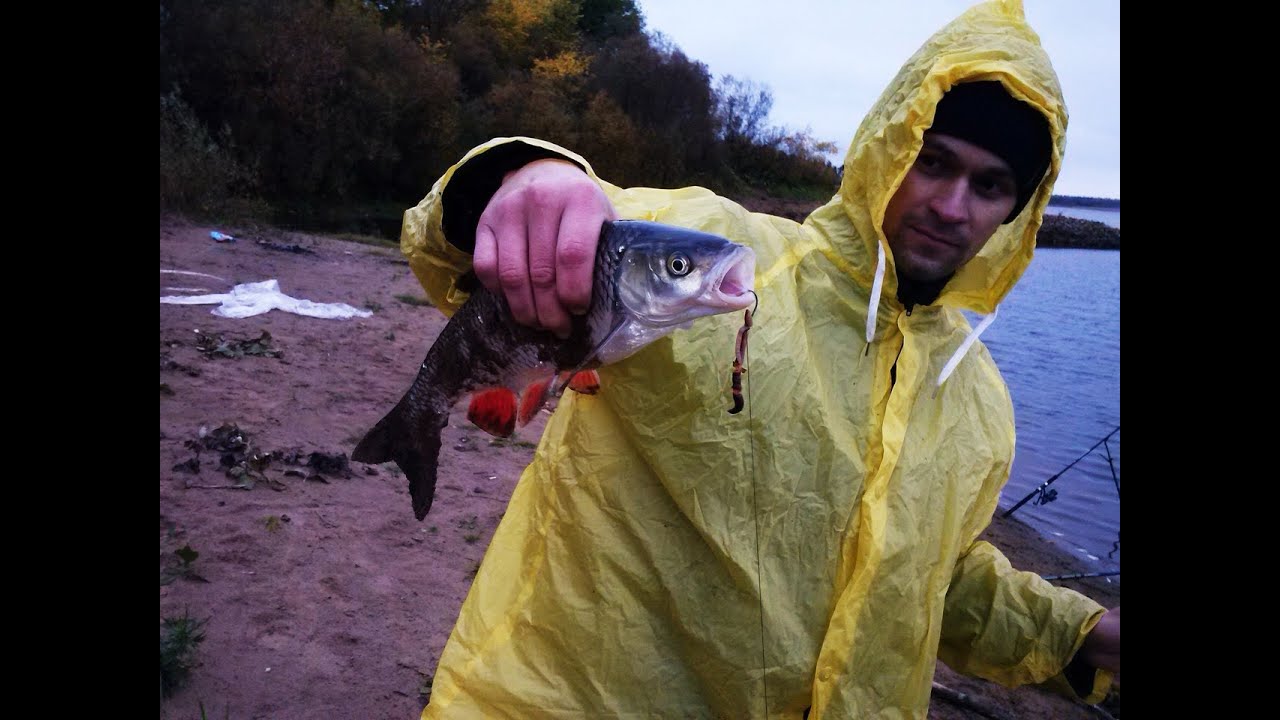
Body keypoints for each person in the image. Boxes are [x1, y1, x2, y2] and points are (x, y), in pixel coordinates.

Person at [396, 0, 1119, 716]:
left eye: (990, 185)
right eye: (932, 162)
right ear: (888, 148)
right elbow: (469, 243)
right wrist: (520, 181)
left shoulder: (980, 401)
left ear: (1017, 213)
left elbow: (927, 583)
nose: (952, 206)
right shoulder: (733, 252)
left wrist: (1085, 637)